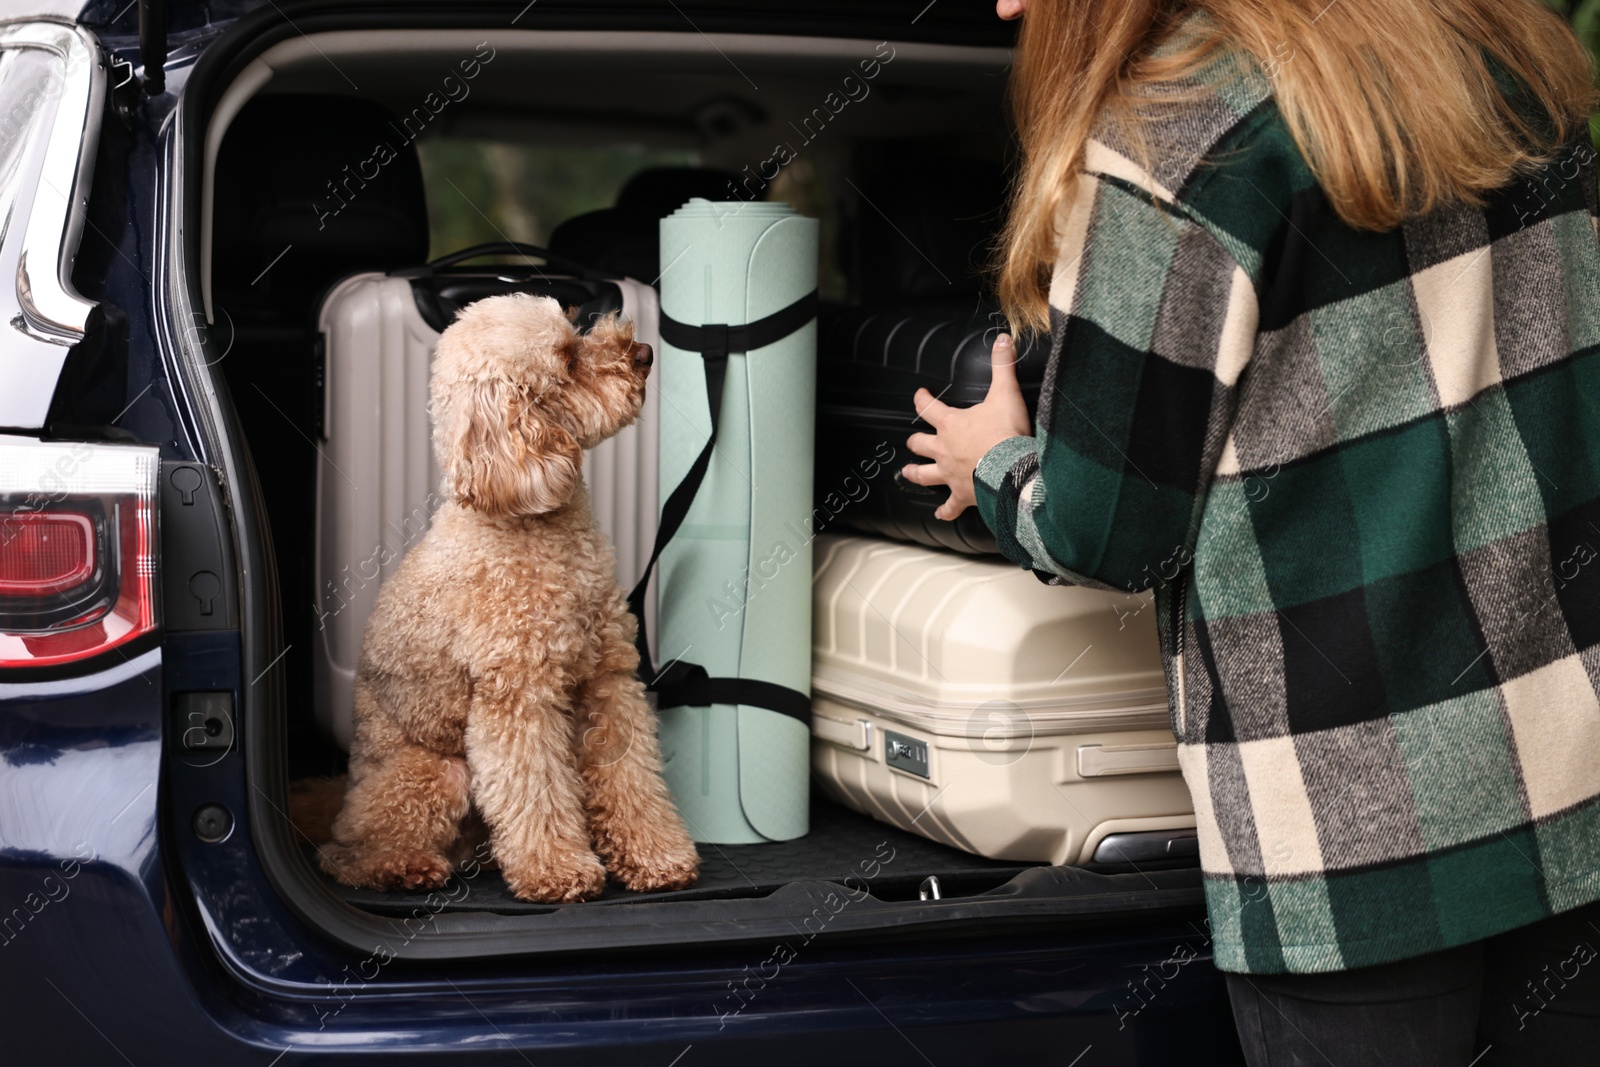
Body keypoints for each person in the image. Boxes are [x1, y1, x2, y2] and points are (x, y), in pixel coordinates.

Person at [903, 0, 1600, 1062]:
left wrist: (993, 459)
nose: (1002, 2)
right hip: (1576, 778)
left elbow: (1108, 534)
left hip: (1352, 836)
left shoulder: (1176, 138)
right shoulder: (1512, 61)